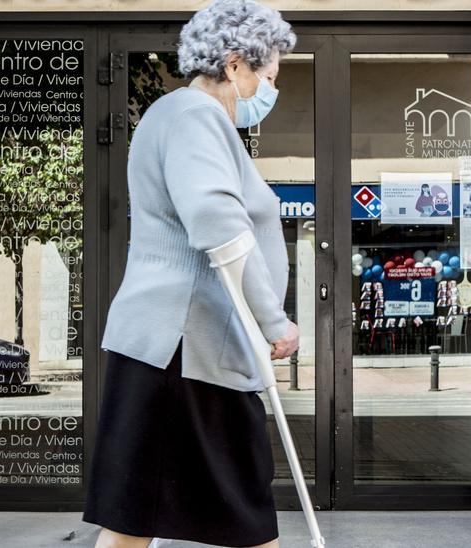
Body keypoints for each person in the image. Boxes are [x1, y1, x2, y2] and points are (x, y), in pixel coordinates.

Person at [82, 1, 298, 547]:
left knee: (136, 513)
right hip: (186, 346)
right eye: (267, 77)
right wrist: (273, 321)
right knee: (244, 508)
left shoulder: (181, 116)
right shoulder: (195, 117)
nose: (270, 92)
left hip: (176, 345)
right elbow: (216, 221)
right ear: (233, 65)